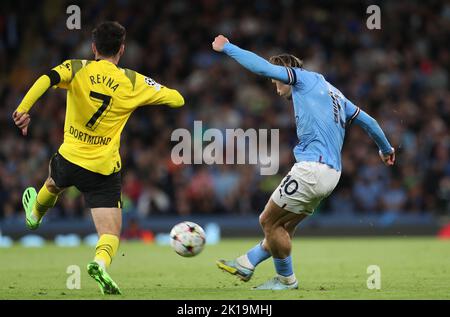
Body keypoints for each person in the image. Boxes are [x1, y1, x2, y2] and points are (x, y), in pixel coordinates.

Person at [13, 21, 184, 295]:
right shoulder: (132, 81)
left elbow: (47, 78)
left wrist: (23, 110)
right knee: (110, 233)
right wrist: (148, 92)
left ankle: (34, 215)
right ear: (122, 50)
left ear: (94, 48)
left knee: (52, 184)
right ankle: (99, 263)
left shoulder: (77, 68)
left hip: (69, 158)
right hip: (102, 169)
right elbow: (177, 100)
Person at [212, 35, 395, 290]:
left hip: (312, 169)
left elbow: (261, 67)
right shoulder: (336, 95)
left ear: (286, 73)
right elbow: (370, 122)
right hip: (331, 175)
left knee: (268, 221)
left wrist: (227, 47)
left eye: (276, 80)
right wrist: (386, 149)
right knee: (283, 226)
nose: (275, 86)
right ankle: (247, 261)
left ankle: (286, 281)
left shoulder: (303, 78)